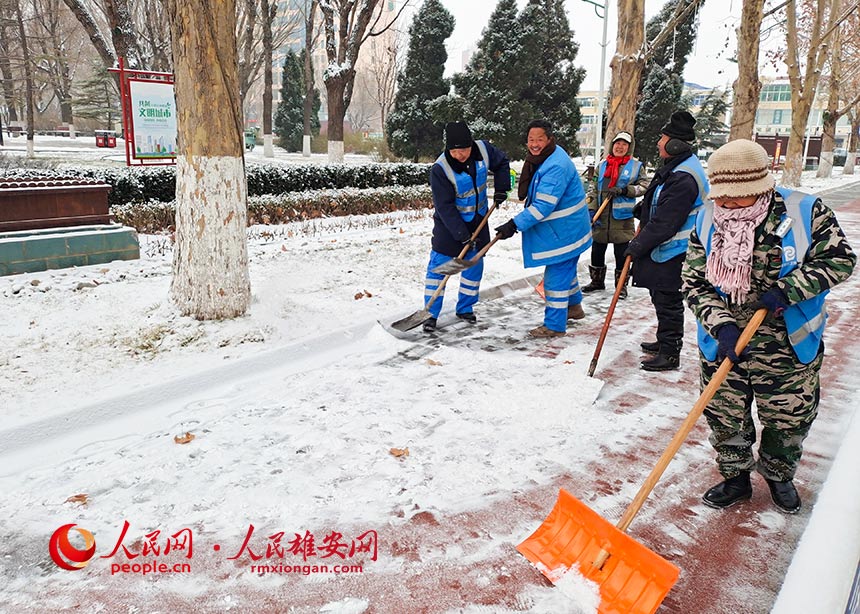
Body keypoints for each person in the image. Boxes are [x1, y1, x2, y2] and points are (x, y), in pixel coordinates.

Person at [682, 138, 855, 514]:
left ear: (762, 187)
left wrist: (788, 290)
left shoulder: (805, 211)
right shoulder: (707, 216)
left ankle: (779, 475)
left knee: (787, 418)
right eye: (721, 197)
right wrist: (722, 325)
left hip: (786, 345)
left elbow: (840, 260)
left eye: (737, 198)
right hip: (725, 342)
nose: (726, 205)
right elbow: (693, 282)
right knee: (725, 414)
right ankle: (736, 478)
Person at [623, 111, 708, 371]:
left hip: (676, 249)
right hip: (666, 247)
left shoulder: (684, 176)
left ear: (675, 144)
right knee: (660, 297)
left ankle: (671, 353)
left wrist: (636, 246)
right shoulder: (676, 168)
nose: (659, 142)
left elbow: (667, 222)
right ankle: (664, 341)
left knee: (668, 299)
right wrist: (643, 209)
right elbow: (660, 200)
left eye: (663, 138)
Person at [494, 119, 592, 337]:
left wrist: (514, 225)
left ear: (549, 139)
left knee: (555, 278)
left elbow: (543, 206)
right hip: (566, 229)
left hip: (566, 233)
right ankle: (574, 308)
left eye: (539, 139)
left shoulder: (556, 165)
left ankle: (554, 326)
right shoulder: (546, 157)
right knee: (566, 270)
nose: (534, 144)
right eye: (531, 139)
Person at [422, 121, 511, 333]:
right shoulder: (440, 169)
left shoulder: (483, 150)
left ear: (470, 145)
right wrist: (462, 235)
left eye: (464, 149)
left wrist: (501, 188)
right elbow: (444, 207)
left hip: (479, 218)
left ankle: (465, 308)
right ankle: (430, 314)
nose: (460, 154)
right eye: (455, 150)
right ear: (448, 149)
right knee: (440, 269)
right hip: (449, 226)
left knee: (473, 265)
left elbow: (502, 163)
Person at [582, 131, 649, 299]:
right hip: (601, 214)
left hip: (622, 217)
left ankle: (621, 286)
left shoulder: (636, 166)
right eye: (617, 143)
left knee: (621, 252)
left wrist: (626, 190)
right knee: (597, 249)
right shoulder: (603, 165)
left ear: (629, 147)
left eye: (624, 144)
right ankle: (597, 282)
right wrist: (591, 208)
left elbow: (644, 186)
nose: (620, 147)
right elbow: (593, 187)